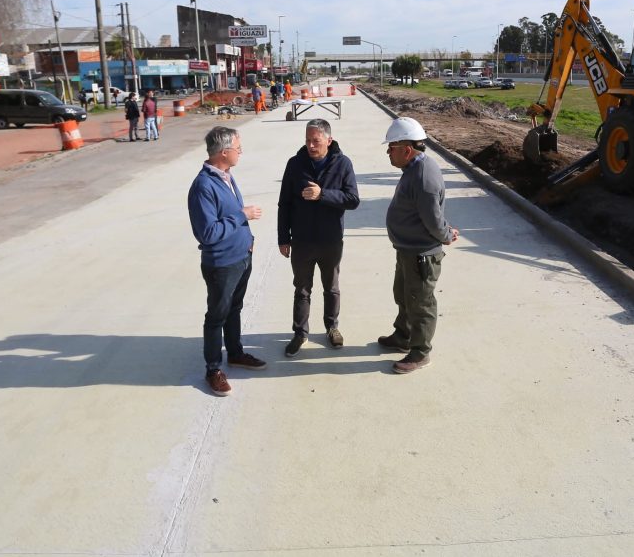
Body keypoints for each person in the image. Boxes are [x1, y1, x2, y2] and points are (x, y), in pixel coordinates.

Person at [187, 126, 266, 395]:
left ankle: (235, 353)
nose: (241, 152)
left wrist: (249, 241)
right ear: (224, 152)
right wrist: (242, 216)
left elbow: (231, 214)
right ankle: (213, 369)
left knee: (235, 308)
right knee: (217, 316)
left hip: (242, 257)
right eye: (238, 148)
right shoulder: (203, 186)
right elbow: (208, 233)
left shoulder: (226, 176)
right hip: (221, 264)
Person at [379, 116, 459, 374]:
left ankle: (420, 352)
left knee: (421, 303)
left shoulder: (423, 176)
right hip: (407, 250)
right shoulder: (412, 168)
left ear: (407, 150)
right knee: (403, 295)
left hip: (421, 254)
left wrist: (446, 235)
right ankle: (403, 336)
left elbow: (434, 220)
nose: (388, 152)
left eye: (391, 147)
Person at [277, 118, 360, 356]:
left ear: (329, 140)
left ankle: (332, 327)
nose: (311, 146)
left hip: (330, 239)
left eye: (316, 141)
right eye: (308, 140)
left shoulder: (343, 164)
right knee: (301, 289)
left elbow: (352, 200)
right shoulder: (295, 164)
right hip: (302, 240)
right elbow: (284, 204)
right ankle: (300, 333)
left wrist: (323, 195)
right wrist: (283, 238)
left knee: (331, 288)